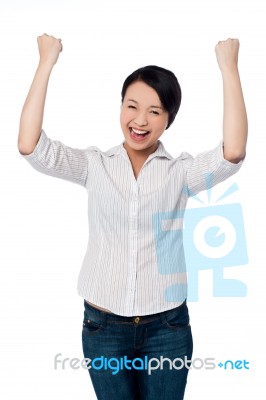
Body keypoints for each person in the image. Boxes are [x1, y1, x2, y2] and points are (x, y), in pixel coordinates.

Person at [17, 34, 247, 400]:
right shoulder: (95, 165)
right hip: (103, 327)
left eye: (154, 111)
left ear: (168, 118)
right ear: (120, 107)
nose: (140, 121)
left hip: (167, 329)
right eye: (131, 106)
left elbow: (232, 152)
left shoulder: (181, 172)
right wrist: (47, 61)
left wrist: (228, 68)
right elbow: (31, 146)